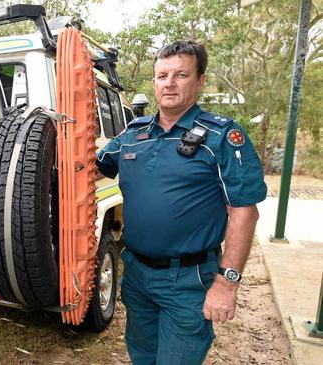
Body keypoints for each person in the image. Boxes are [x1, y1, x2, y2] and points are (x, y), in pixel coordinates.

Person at [96, 40, 267, 364]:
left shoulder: (221, 138)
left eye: (180, 74)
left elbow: (244, 212)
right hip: (136, 275)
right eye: (162, 76)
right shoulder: (133, 134)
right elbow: (91, 167)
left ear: (200, 80)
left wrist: (227, 284)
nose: (169, 83)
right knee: (142, 357)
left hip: (188, 281)